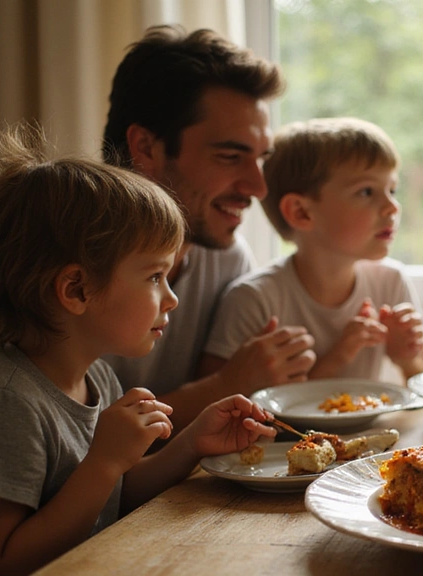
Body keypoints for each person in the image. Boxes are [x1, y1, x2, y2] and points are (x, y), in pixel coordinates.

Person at [0, 125, 276, 576]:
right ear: (76, 289)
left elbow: (118, 493)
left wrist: (192, 441)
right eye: (155, 277)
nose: (171, 297)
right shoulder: (9, 401)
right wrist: (104, 462)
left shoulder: (96, 378)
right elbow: (1, 562)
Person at [99, 25, 316, 430]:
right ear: (146, 147)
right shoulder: (58, 270)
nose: (258, 186)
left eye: (261, 159)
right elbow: (62, 445)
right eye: (231, 156)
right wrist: (227, 383)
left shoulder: (227, 260)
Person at [199, 117, 423, 383]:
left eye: (392, 189)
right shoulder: (254, 299)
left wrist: (406, 356)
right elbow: (220, 398)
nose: (392, 207)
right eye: (367, 192)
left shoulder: (389, 281)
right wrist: (338, 356)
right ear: (301, 212)